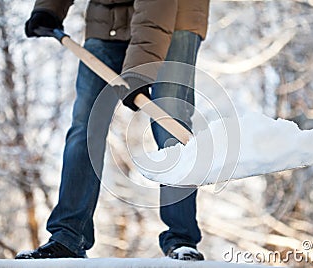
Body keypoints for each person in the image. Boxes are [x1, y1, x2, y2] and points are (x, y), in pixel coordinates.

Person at [15, 0, 209, 261]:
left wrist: (138, 72)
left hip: (174, 16)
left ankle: (182, 239)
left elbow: (157, 7)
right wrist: (50, 7)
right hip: (107, 20)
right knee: (84, 125)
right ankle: (69, 237)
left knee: (170, 122)